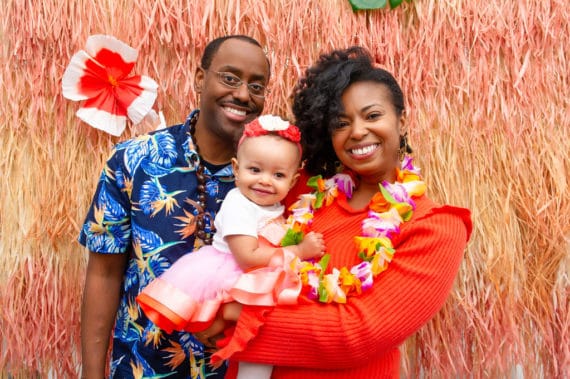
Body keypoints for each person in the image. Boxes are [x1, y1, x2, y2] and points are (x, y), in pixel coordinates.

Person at [199, 46, 473, 378]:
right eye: (341, 123)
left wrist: (232, 314)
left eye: (372, 116)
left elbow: (354, 335)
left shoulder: (435, 227)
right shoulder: (303, 194)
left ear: (401, 120)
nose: (357, 132)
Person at [78, 35, 271, 379]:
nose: (243, 94)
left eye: (256, 86)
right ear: (200, 79)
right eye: (230, 78)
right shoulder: (135, 160)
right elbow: (103, 273)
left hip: (231, 369)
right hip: (143, 368)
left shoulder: (270, 180)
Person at [136, 115, 325, 379]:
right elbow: (248, 257)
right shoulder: (239, 204)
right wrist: (299, 251)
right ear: (236, 169)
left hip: (258, 274)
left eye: (278, 174)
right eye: (255, 170)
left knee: (259, 346)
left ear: (293, 181)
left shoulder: (271, 204)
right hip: (233, 273)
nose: (265, 181)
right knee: (257, 343)